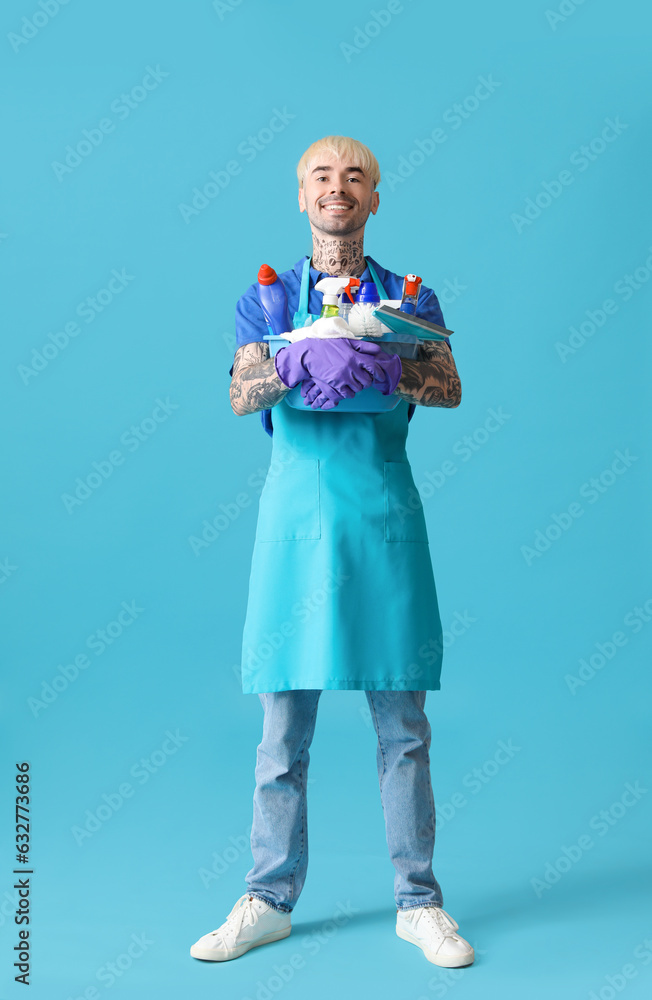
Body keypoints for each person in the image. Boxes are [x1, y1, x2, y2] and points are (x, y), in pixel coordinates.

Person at [190, 136, 474, 969]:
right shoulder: (266, 300)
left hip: (381, 515)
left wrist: (386, 358)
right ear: (301, 195)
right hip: (296, 519)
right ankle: (268, 897)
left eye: (356, 176)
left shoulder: (407, 296)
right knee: (282, 729)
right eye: (322, 175)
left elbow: (450, 385)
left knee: (405, 727)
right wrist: (298, 363)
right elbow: (242, 394)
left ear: (375, 197)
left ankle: (419, 903)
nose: (337, 187)